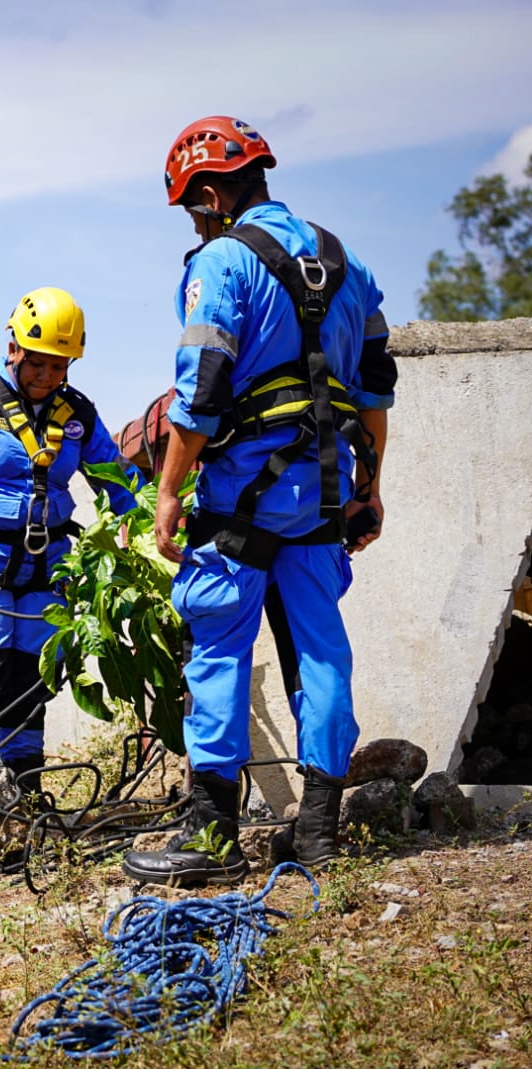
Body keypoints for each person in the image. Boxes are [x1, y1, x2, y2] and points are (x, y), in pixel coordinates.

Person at [121, 116, 393, 887]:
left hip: (240, 503)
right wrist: (369, 491)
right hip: (321, 502)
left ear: (211, 195)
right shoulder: (349, 264)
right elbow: (376, 392)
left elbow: (201, 391)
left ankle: (211, 836)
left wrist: (168, 491)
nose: (194, 224)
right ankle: (318, 833)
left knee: (216, 651)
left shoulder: (222, 262)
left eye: (192, 210)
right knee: (321, 653)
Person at [0, 288, 138, 804]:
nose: (46, 375)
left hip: (47, 566)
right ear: (13, 348)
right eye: (37, 362)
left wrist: (149, 526)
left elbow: (119, 482)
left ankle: (23, 794)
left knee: (33, 677)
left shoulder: (78, 412)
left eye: (58, 365)